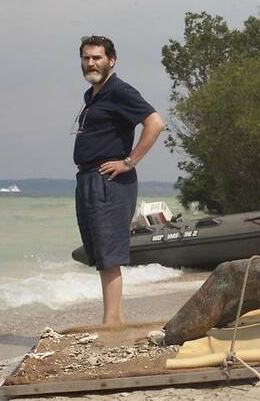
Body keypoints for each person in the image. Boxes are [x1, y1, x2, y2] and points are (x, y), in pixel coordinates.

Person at [73, 36, 165, 324]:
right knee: (101, 253)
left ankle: (111, 324)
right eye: (86, 58)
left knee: (109, 254)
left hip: (109, 181)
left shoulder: (119, 90)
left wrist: (129, 161)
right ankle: (114, 321)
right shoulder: (93, 95)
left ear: (111, 60)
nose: (91, 63)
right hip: (88, 179)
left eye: (97, 57)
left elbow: (155, 123)